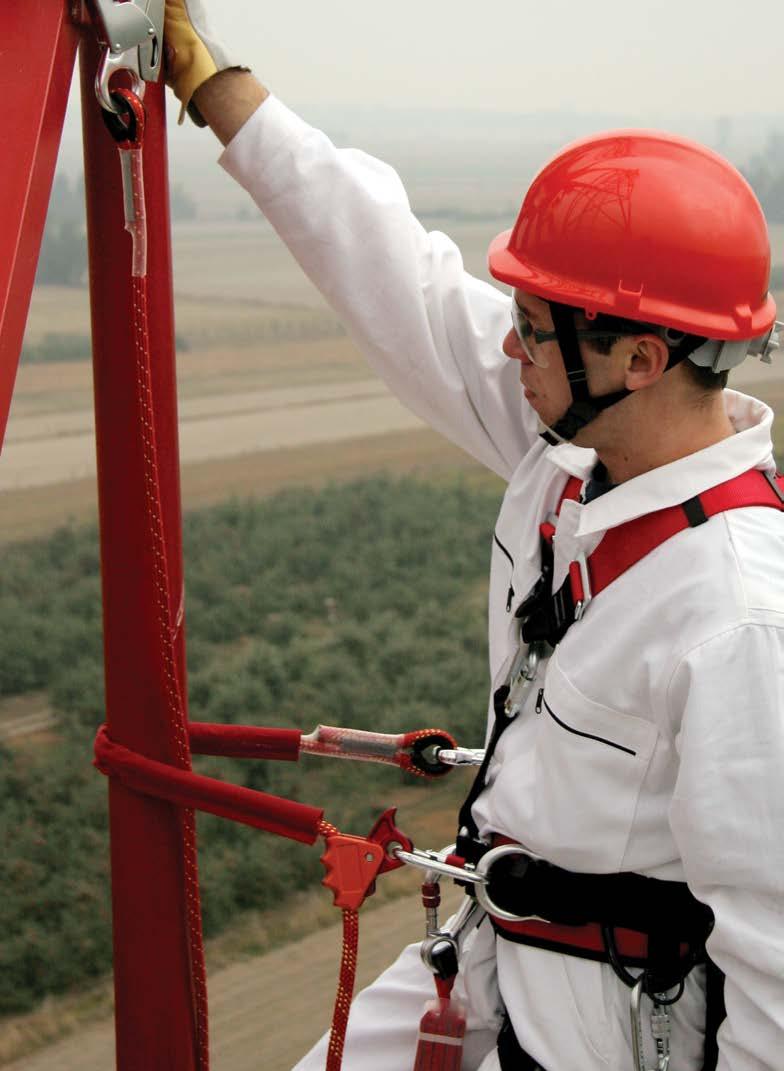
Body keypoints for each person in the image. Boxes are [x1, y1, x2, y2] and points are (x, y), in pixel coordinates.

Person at [164, 5, 784, 1069]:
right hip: (491, 959)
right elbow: (392, 275)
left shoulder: (739, 618)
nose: (507, 344)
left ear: (637, 357)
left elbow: (778, 970)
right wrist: (206, 79)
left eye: (532, 327)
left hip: (614, 1025)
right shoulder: (572, 453)